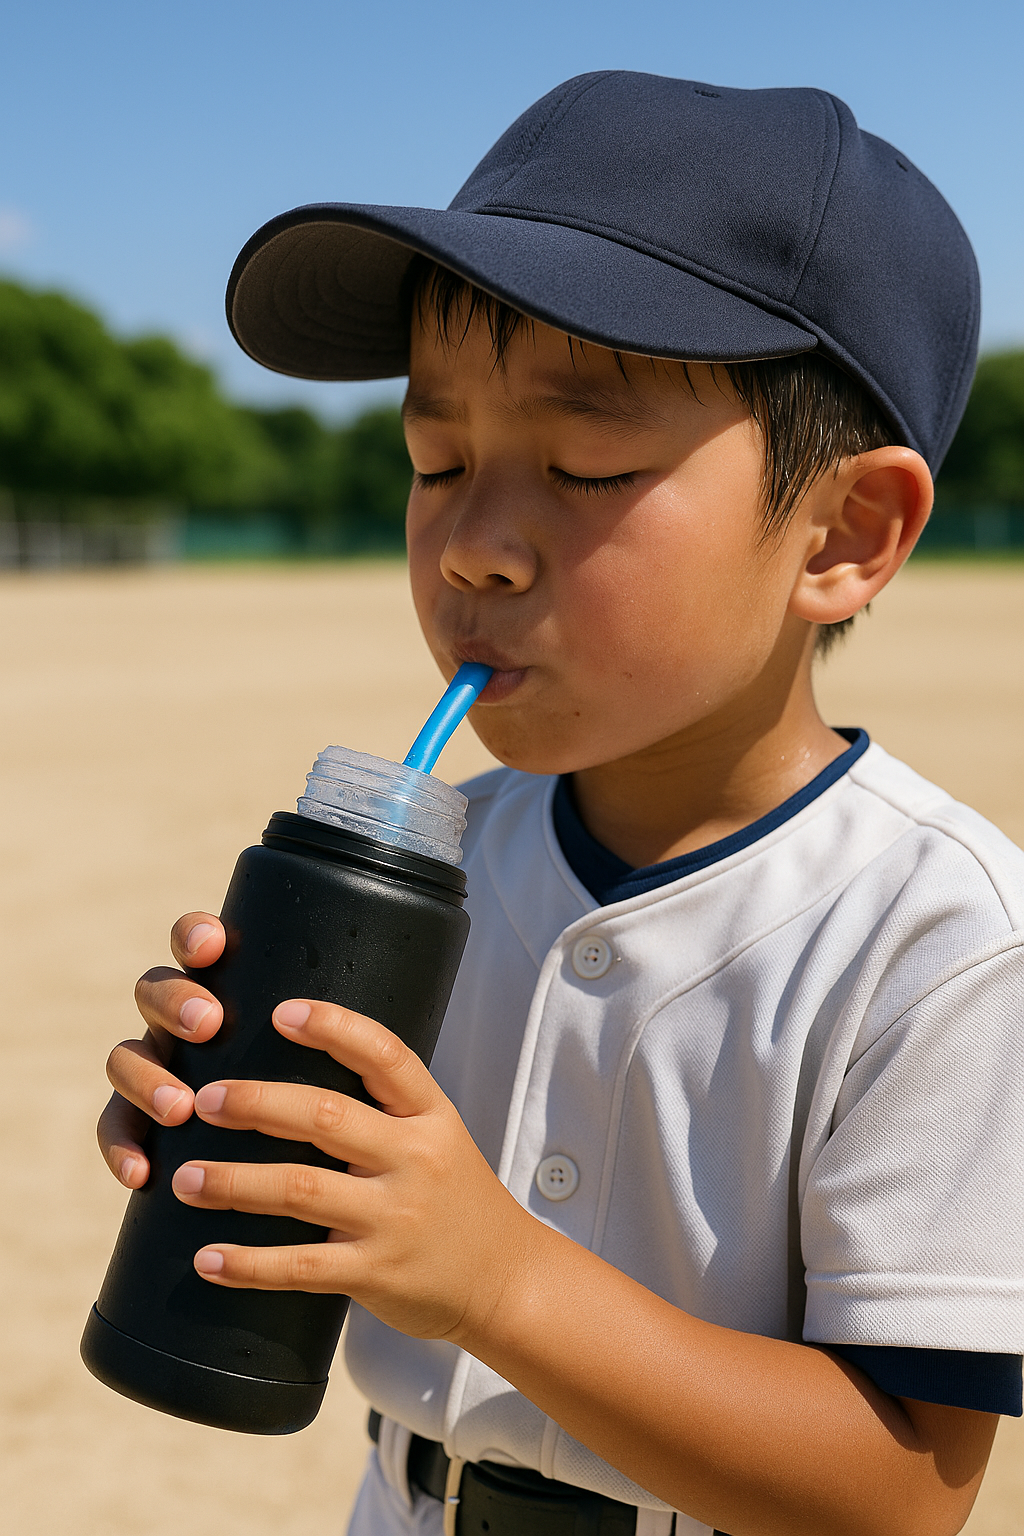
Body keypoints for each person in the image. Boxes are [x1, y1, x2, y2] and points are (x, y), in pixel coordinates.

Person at [97, 74, 1024, 1536]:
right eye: (435, 459)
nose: (471, 547)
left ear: (845, 532)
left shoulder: (942, 934)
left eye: (585, 463)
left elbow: (899, 1495)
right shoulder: (453, 854)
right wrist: (240, 1121)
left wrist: (494, 1275)